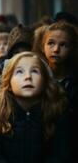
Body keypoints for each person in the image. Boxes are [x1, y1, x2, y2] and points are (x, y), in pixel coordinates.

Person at [0, 52, 69, 163]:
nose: (28, 77)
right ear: (8, 84)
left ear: (45, 82)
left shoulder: (56, 113)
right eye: (19, 72)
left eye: (35, 71)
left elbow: (62, 155)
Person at [33, 21, 78, 160]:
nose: (56, 49)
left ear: (72, 48)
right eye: (50, 43)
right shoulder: (34, 78)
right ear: (42, 46)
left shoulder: (74, 81)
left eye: (63, 45)